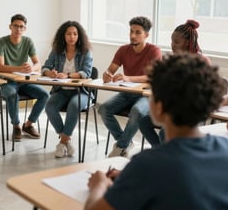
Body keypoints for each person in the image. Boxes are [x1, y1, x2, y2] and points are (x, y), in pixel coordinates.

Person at [85, 54, 228, 210]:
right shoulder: (224, 147)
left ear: (159, 107)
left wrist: (99, 185)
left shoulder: (147, 164)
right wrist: (133, 177)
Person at [139, 19, 211, 147]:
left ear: (188, 42)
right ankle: (163, 153)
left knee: (163, 132)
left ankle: (166, 155)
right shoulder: (174, 60)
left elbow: (203, 93)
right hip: (174, 108)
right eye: (171, 41)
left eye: (176, 42)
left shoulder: (202, 61)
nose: (172, 45)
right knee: (144, 122)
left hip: (193, 111)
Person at [98, 16, 162, 157]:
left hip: (146, 95)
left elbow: (153, 77)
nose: (133, 35)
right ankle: (126, 142)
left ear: (146, 35)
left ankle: (120, 146)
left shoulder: (154, 51)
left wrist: (128, 78)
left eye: (138, 32)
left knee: (137, 112)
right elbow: (110, 70)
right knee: (103, 109)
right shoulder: (123, 50)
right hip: (126, 93)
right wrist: (107, 74)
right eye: (131, 31)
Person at [0, 14, 49, 141]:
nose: (18, 29)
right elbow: (0, 67)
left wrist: (32, 68)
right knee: (13, 95)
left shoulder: (28, 41)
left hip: (23, 81)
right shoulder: (1, 42)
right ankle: (16, 126)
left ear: (25, 29)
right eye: (16, 26)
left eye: (21, 27)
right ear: (10, 27)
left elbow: (38, 64)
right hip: (6, 82)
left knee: (45, 95)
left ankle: (28, 125)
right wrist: (19, 68)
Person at [42, 21, 93, 158]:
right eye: (69, 34)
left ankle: (62, 142)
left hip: (81, 92)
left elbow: (86, 73)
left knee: (74, 105)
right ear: (63, 36)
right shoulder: (56, 51)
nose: (72, 37)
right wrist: (50, 73)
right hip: (61, 90)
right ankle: (67, 140)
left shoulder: (85, 52)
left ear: (79, 36)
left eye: (75, 34)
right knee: (49, 106)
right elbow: (45, 67)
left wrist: (68, 75)